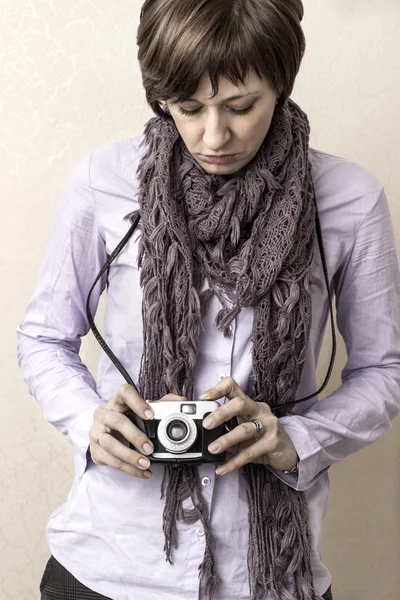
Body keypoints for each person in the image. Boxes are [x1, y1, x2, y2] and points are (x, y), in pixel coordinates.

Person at [17, 1, 400, 599]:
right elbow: (43, 336)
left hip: (268, 576)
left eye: (241, 106)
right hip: (112, 562)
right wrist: (89, 419)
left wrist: (296, 440)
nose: (212, 135)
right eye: (188, 108)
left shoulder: (349, 200)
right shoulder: (104, 182)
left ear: (281, 83)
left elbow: (384, 371)